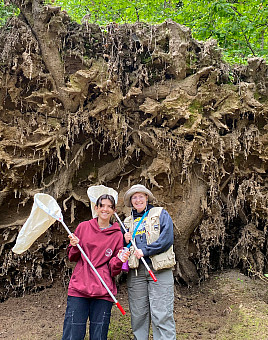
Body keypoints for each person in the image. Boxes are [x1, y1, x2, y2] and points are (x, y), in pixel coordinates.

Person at [62, 193, 130, 340]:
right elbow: (72, 257)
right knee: (73, 334)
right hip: (79, 288)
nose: (105, 209)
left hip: (103, 290)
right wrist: (73, 246)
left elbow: (114, 269)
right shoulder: (83, 227)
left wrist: (119, 260)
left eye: (109, 207)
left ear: (114, 211)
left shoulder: (117, 234)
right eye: (102, 206)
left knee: (99, 335)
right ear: (96, 208)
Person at [123, 184, 177, 340]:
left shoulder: (160, 214)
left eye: (141, 196)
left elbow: (166, 239)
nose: (138, 199)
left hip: (159, 270)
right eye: (134, 197)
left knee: (162, 312)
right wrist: (123, 240)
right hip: (137, 272)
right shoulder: (127, 222)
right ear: (131, 201)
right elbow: (121, 249)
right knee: (138, 314)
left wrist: (146, 251)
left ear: (147, 197)